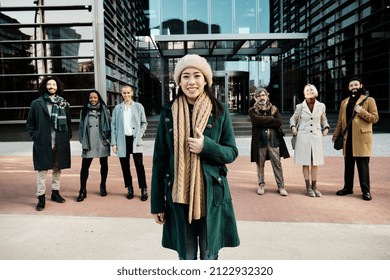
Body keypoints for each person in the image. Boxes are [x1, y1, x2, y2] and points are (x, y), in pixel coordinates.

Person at [150, 54, 240, 260]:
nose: (191, 82)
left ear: (206, 80)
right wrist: (157, 204)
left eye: (197, 76)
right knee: (187, 256)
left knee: (209, 256)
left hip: (211, 196)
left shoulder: (220, 111)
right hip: (179, 198)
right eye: (186, 76)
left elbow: (231, 152)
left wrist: (206, 146)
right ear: (179, 82)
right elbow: (159, 161)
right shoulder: (168, 113)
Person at [26, 76, 72, 211]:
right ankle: (41, 197)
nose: (51, 86)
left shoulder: (63, 103)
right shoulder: (37, 103)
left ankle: (55, 193)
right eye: (49, 84)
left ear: (58, 87)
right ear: (45, 86)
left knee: (57, 169)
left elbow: (68, 123)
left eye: (54, 84)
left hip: (60, 142)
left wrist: (67, 136)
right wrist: (36, 136)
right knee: (42, 170)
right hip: (43, 142)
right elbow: (30, 123)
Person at [332, 77, 379, 201]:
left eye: (356, 84)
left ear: (361, 85)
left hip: (362, 139)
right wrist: (336, 135)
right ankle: (348, 188)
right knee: (348, 166)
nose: (354, 87)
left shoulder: (369, 100)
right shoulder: (344, 102)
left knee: (363, 167)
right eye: (351, 85)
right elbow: (340, 122)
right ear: (349, 88)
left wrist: (361, 111)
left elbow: (375, 118)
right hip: (348, 139)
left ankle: (366, 191)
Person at [290, 84, 330, 197]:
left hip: (316, 136)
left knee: (315, 163)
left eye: (311, 89)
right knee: (306, 162)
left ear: (316, 92)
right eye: (307, 90)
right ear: (304, 93)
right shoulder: (300, 107)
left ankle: (314, 187)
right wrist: (293, 127)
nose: (309, 91)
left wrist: (326, 127)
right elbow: (293, 118)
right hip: (303, 136)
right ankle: (308, 188)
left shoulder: (321, 106)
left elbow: (324, 119)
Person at [249, 88, 290, 196]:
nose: (261, 97)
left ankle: (281, 186)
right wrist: (271, 119)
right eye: (259, 95)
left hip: (273, 141)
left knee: (277, 164)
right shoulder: (252, 111)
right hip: (259, 141)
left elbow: (279, 122)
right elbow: (256, 121)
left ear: (267, 96)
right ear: (255, 98)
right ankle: (261, 185)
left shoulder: (274, 109)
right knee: (260, 164)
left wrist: (264, 121)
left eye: (263, 95)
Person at [111, 85, 148, 201]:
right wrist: (114, 143)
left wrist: (139, 135)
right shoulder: (117, 108)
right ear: (121, 94)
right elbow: (113, 126)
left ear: (132, 93)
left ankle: (143, 188)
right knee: (125, 166)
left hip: (135, 140)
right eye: (124, 93)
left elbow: (144, 123)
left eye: (128, 93)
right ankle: (129, 188)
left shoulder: (138, 106)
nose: (126, 95)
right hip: (122, 140)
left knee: (139, 165)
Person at [77, 90, 111, 202]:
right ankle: (82, 190)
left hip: (102, 140)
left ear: (98, 98)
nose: (93, 100)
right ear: (88, 99)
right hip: (89, 141)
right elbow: (81, 126)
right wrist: (82, 140)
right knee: (85, 167)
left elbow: (110, 125)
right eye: (91, 98)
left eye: (95, 98)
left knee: (104, 164)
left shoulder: (104, 110)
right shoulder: (84, 111)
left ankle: (103, 186)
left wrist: (108, 139)